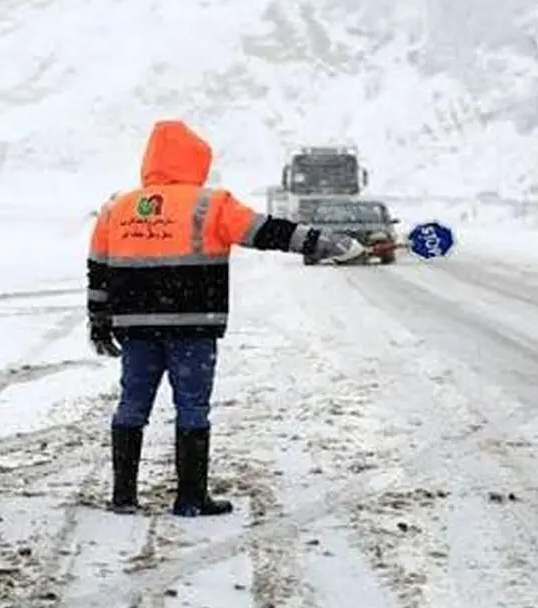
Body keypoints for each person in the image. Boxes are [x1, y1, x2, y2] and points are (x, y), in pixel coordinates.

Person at [87, 119, 367, 517]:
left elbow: (98, 270)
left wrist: (99, 322)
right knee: (192, 408)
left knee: (131, 405)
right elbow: (268, 232)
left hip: (136, 329)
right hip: (192, 326)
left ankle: (123, 497)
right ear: (196, 160)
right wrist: (324, 243)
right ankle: (190, 499)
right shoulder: (211, 204)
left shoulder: (117, 208)